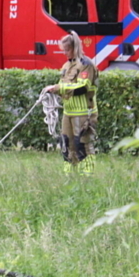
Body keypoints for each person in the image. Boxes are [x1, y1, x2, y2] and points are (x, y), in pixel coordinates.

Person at [46, 32, 99, 175]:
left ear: (75, 48)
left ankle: (87, 173)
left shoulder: (86, 65)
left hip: (84, 111)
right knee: (66, 143)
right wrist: (53, 90)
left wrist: (60, 88)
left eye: (67, 49)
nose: (64, 53)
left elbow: (83, 87)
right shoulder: (66, 65)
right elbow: (63, 84)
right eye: (63, 50)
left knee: (82, 143)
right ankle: (69, 173)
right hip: (68, 111)